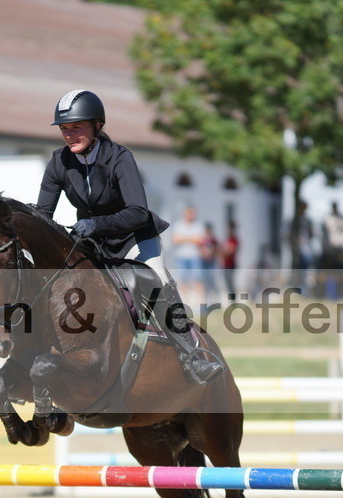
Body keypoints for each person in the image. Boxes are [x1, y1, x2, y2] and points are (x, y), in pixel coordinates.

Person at [36, 89, 223, 384]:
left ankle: (192, 355)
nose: (69, 135)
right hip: (94, 243)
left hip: (134, 239)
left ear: (97, 125)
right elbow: (42, 215)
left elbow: (137, 212)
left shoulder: (119, 158)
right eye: (64, 129)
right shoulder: (59, 162)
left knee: (157, 281)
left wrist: (95, 224)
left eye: (76, 127)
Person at [170, 206, 205, 305]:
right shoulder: (178, 225)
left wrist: (184, 238)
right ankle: (185, 302)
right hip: (182, 256)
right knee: (183, 279)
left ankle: (200, 303)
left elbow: (200, 240)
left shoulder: (198, 225)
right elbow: (176, 240)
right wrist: (191, 238)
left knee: (198, 278)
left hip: (195, 256)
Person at [200, 222, 220, 301]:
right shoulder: (203, 239)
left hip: (212, 262)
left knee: (212, 279)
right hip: (204, 262)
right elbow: (200, 249)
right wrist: (204, 253)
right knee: (205, 281)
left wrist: (212, 252)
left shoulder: (213, 239)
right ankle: (207, 299)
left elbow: (217, 249)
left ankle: (215, 298)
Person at [221, 220, 239, 300]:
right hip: (225, 264)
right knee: (227, 282)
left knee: (230, 282)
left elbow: (230, 252)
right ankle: (231, 299)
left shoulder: (234, 239)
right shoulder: (227, 239)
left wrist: (223, 252)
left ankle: (233, 299)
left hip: (231, 264)